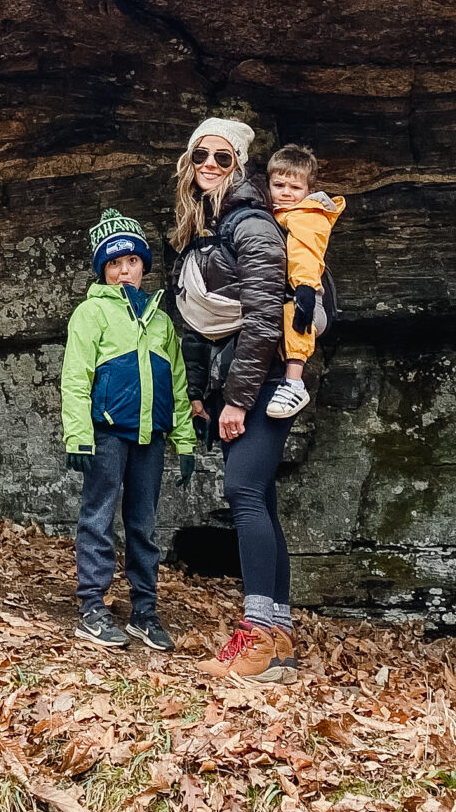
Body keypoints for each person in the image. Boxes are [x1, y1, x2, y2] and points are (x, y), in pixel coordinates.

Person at [166, 117, 298, 681]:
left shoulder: (252, 224)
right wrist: (201, 394)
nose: (210, 166)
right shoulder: (208, 226)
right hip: (236, 384)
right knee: (259, 500)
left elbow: (265, 318)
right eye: (202, 155)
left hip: (261, 385)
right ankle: (281, 639)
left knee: (243, 494)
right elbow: (201, 322)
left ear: (240, 165)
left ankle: (258, 634)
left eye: (223, 158)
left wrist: (239, 401)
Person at [61, 209, 193, 654]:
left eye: (131, 262)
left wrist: (185, 440)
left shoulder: (160, 320)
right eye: (114, 264)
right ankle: (92, 607)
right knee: (98, 517)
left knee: (144, 524)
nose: (124, 271)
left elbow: (177, 383)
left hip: (150, 438)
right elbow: (75, 377)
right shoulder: (90, 313)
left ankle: (144, 610)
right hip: (106, 435)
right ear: (104, 269)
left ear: (143, 265)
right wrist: (78, 435)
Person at [264, 142, 345, 422]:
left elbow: (305, 256)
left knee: (290, 314)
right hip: (290, 295)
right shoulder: (278, 215)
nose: (286, 192)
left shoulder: (307, 217)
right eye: (279, 185)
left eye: (295, 188)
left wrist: (305, 291)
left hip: (308, 301)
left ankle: (294, 382)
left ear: (309, 192)